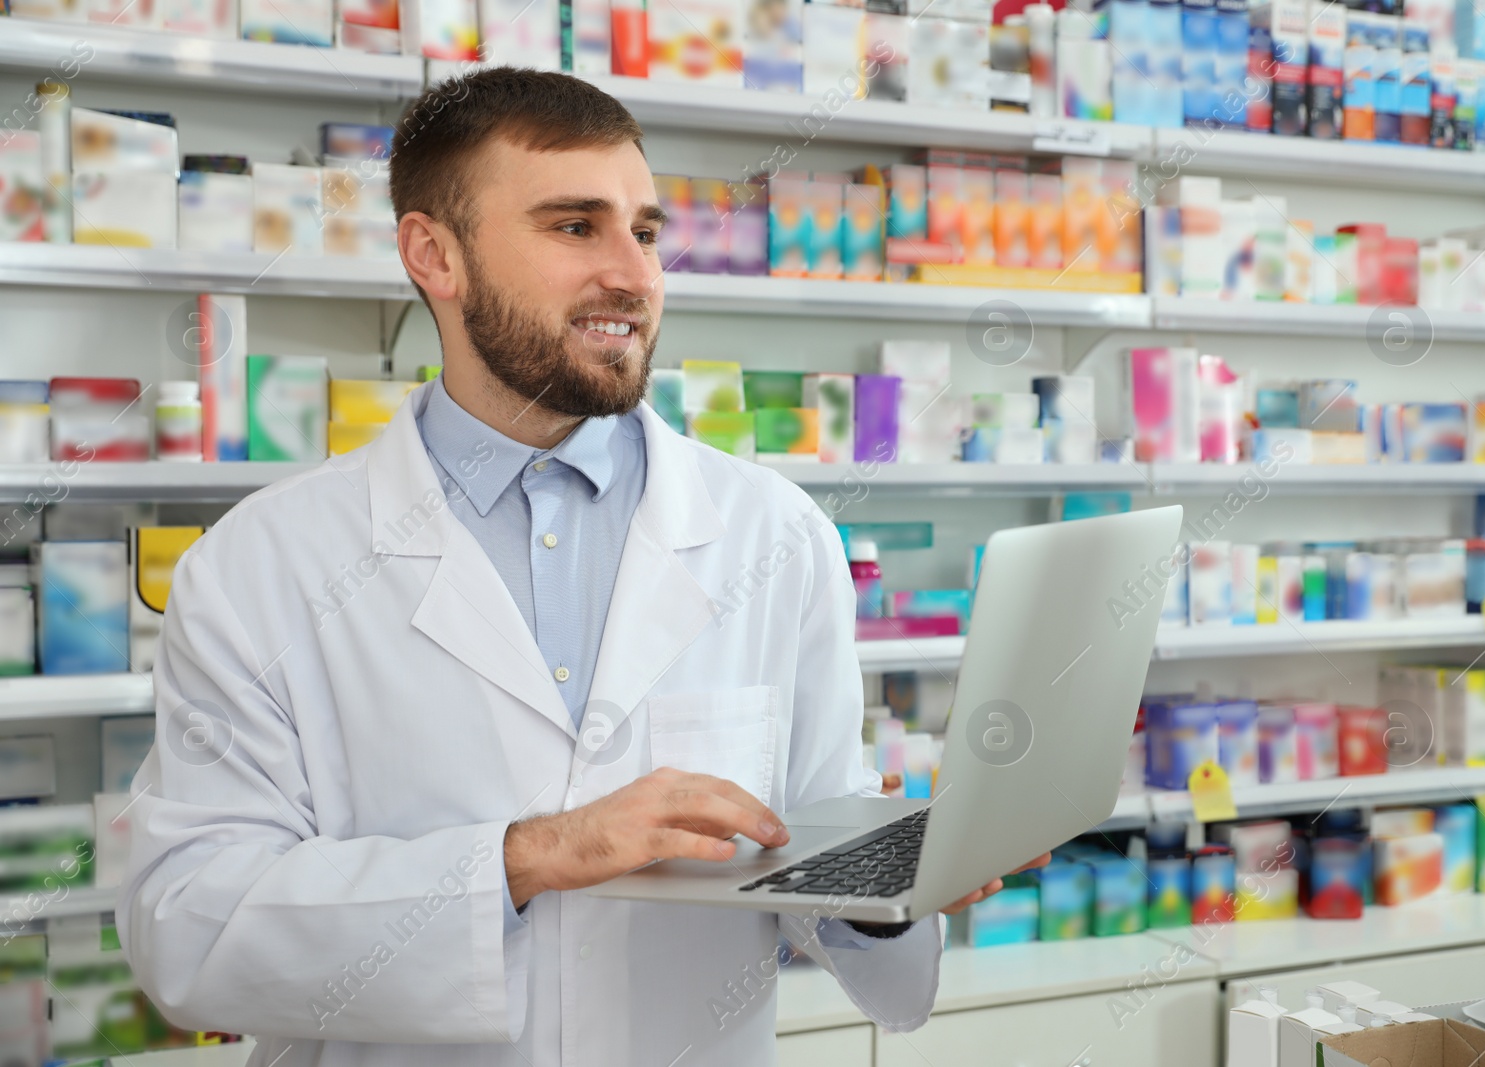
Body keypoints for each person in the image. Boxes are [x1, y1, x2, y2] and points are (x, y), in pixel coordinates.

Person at [117, 68, 1041, 1067]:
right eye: (573, 227)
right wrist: (531, 856)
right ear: (435, 254)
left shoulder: (773, 531)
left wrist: (892, 886)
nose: (635, 275)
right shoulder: (263, 565)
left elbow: (809, 858)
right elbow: (191, 924)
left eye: (643, 231)